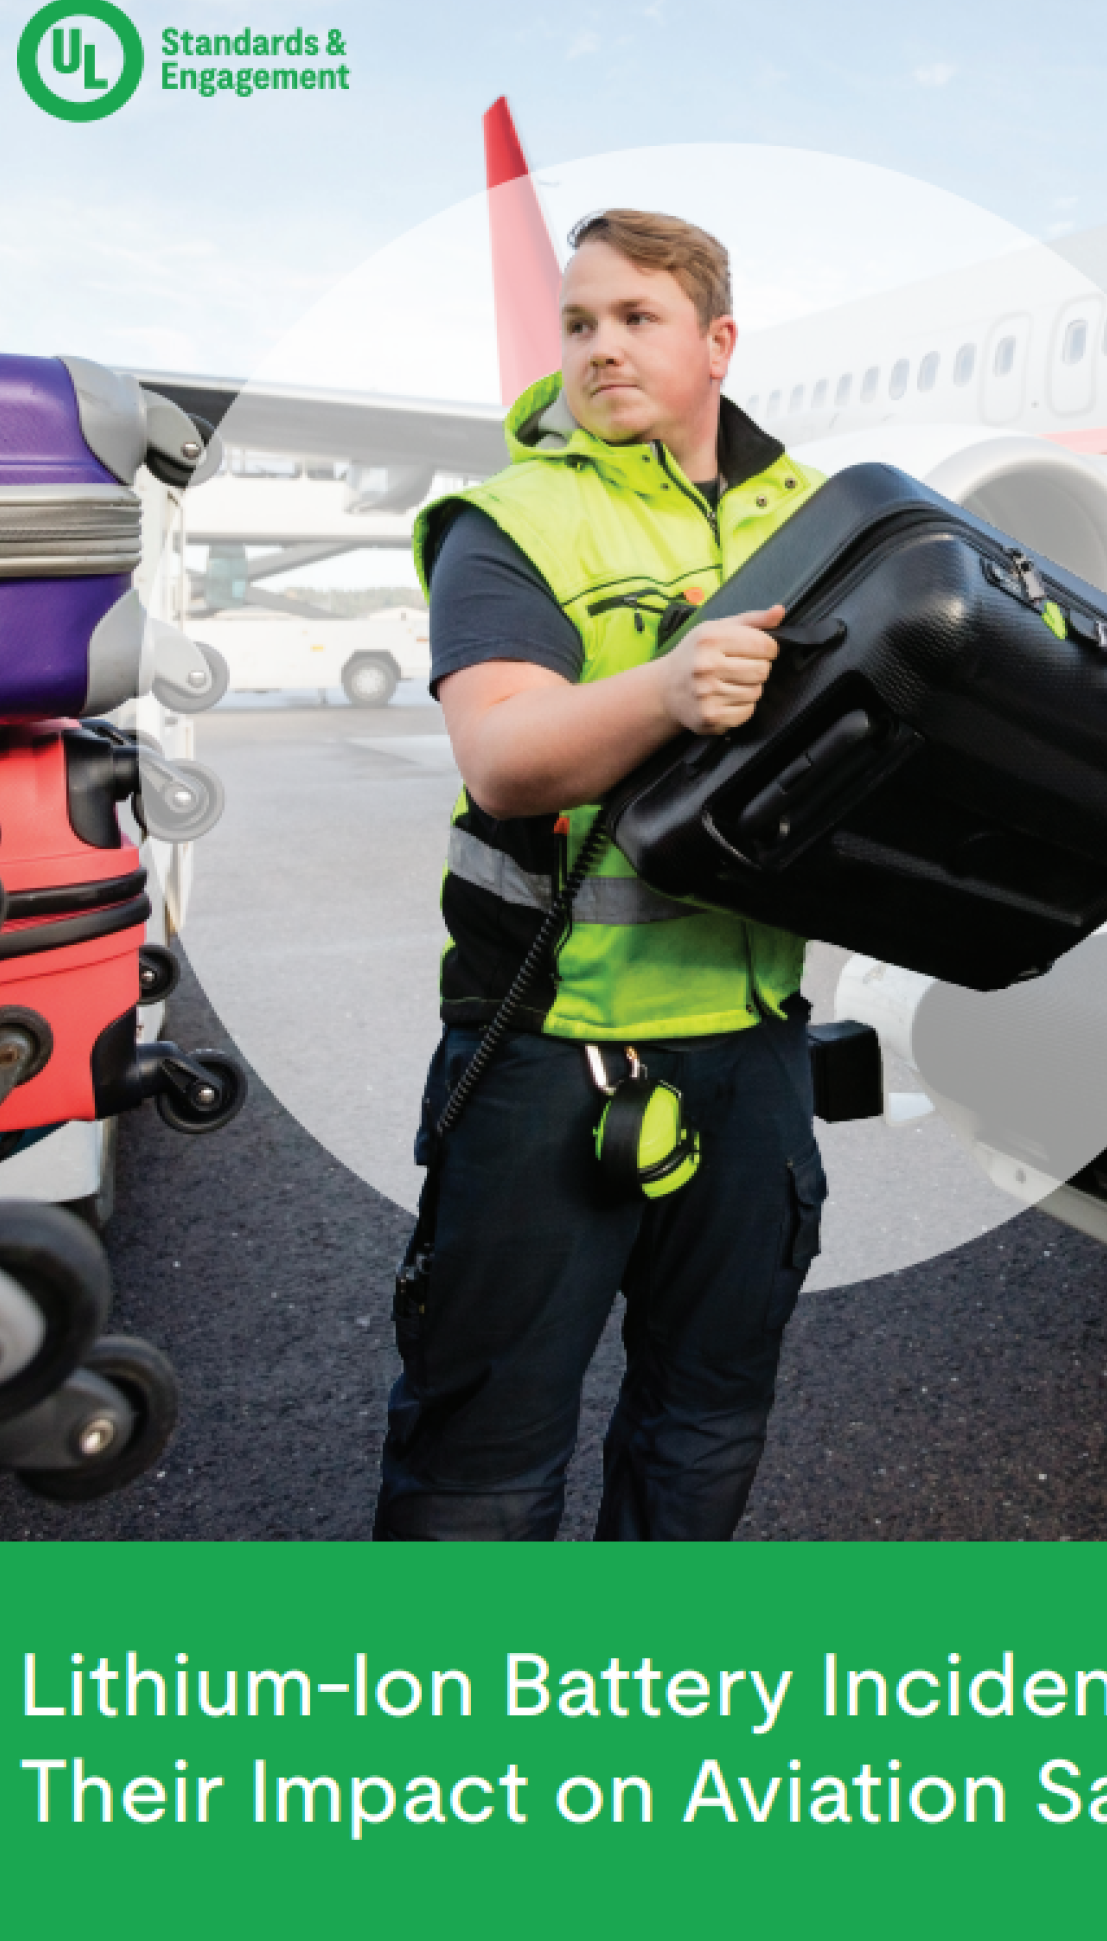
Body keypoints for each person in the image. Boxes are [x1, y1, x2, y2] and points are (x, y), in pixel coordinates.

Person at [375, 208, 828, 1542]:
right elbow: (508, 756)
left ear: (718, 341)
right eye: (580, 323)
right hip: (548, 1045)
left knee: (705, 1426)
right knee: (486, 1458)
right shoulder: (510, 520)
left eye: (637, 318)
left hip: (753, 1052)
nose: (600, 347)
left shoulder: (815, 519)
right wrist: (672, 685)